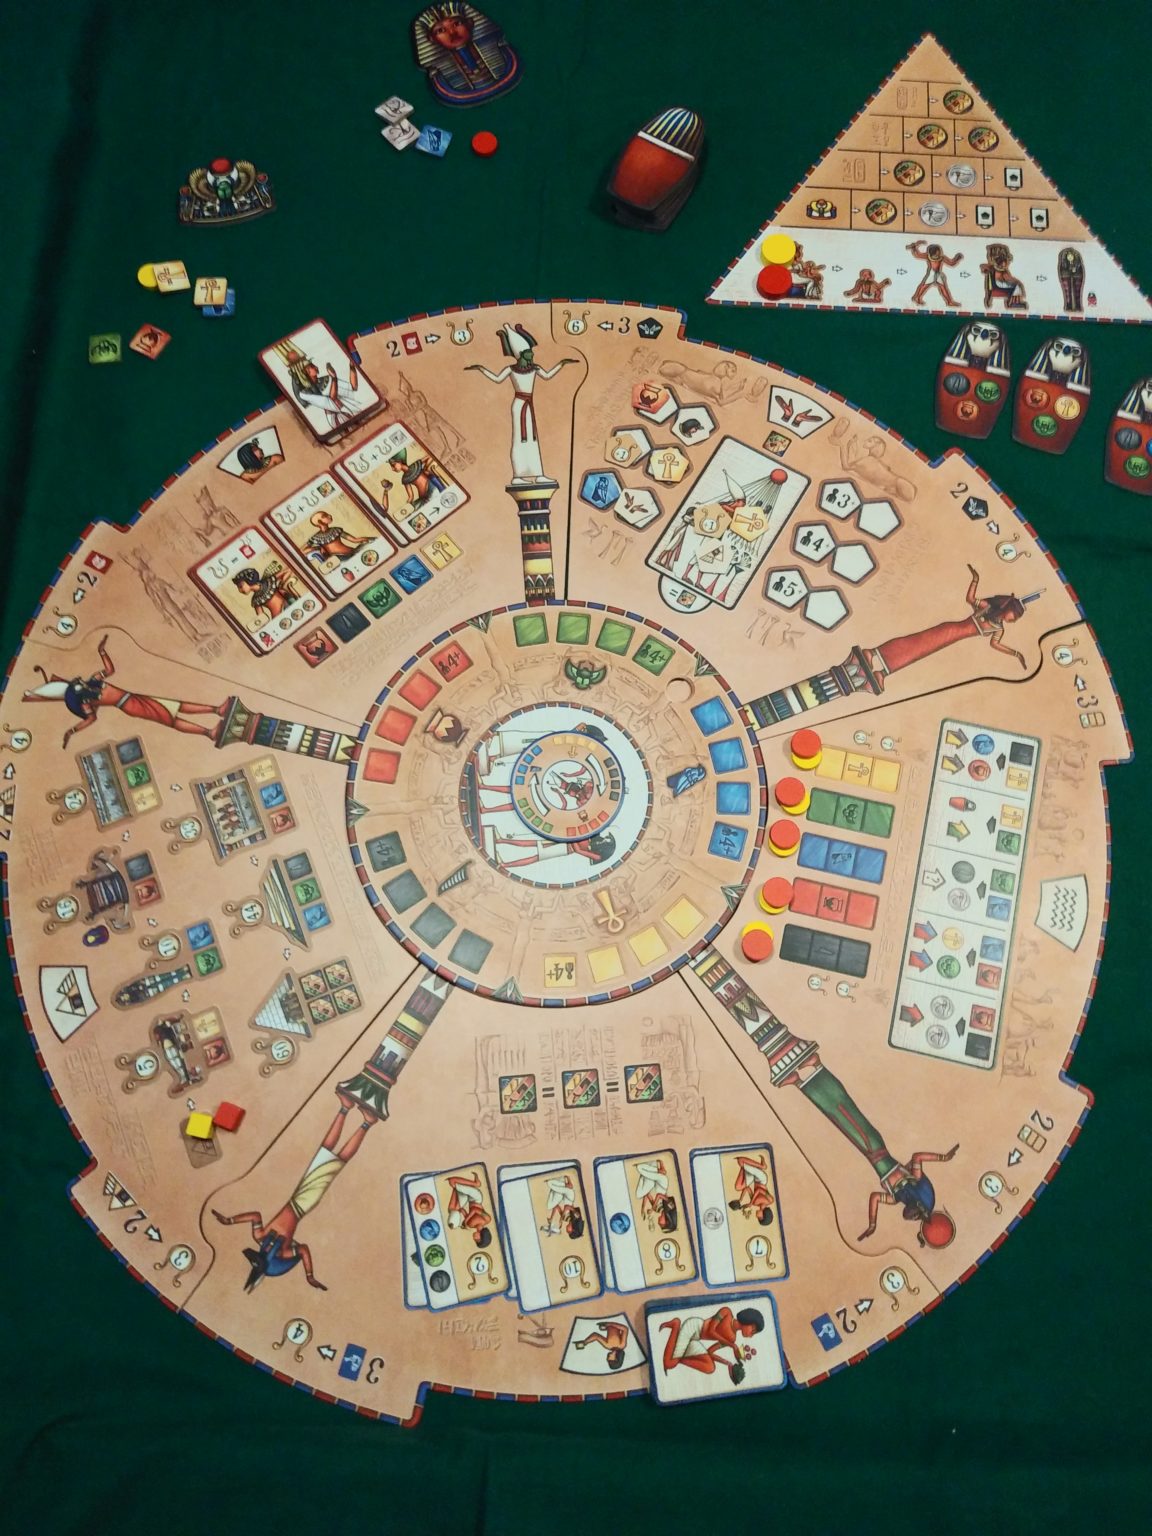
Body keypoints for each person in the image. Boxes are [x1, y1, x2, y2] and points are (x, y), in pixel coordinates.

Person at [212, 1092, 378, 1291]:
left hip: (295, 1198)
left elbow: (255, 1215)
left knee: (324, 1152)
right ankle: (367, 1122)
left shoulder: (261, 1236)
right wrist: (309, 1275)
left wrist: (230, 1220)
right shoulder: (282, 1252)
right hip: (302, 1204)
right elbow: (303, 1250)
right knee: (336, 1161)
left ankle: (346, 1108)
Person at [21, 636, 227, 748]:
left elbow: (109, 670)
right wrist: (72, 731)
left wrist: (102, 652)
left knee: (176, 706)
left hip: (134, 698)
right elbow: (91, 719)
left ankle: (217, 710)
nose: (80, 681)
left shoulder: (94, 680)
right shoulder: (85, 701)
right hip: (129, 705)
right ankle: (209, 733)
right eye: (77, 684)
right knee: (169, 718)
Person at [862, 564, 1037, 686]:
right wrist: (975, 580)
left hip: (951, 639)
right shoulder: (987, 608)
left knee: (917, 654)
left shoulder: (998, 628)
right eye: (1015, 615)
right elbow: (970, 599)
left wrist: (1016, 654)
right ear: (1008, 608)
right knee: (912, 642)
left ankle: (882, 673)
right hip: (948, 630)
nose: (1014, 620)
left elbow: (995, 644)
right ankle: (872, 653)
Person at [466, 325, 579, 484]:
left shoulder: (535, 368)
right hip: (519, 406)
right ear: (521, 354)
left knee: (532, 440)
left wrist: (562, 363)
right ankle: (517, 476)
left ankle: (538, 474)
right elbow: (497, 379)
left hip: (528, 405)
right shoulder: (511, 369)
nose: (532, 355)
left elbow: (547, 376)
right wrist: (481, 369)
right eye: (529, 352)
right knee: (519, 439)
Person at [660, 1305, 764, 1384]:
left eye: (753, 1333)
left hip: (696, 1339)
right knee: (669, 1364)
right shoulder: (726, 1312)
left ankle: (679, 1358)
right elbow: (711, 1331)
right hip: (693, 1327)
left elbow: (710, 1352)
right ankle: (676, 1324)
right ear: (748, 1319)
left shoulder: (732, 1339)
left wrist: (727, 1363)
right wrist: (732, 1346)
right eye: (753, 1330)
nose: (751, 1335)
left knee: (710, 1367)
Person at [231, 564, 301, 624]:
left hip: (291, 605)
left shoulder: (268, 581)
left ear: (249, 580)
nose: (240, 590)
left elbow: (287, 571)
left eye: (240, 586)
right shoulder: (255, 600)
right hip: (279, 619)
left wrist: (283, 583)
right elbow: (261, 618)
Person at [302, 508, 374, 565]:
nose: (329, 516)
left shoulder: (336, 530)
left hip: (352, 552)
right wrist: (318, 548)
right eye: (325, 516)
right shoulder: (315, 538)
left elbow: (354, 540)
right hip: (340, 559)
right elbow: (302, 551)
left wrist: (368, 539)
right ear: (320, 522)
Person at [445, 1171, 494, 1247]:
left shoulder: (470, 1225)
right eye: (477, 1239)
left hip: (468, 1199)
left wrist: (461, 1213)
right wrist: (466, 1220)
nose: (474, 1238)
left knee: (452, 1209)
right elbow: (475, 1210)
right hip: (476, 1198)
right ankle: (476, 1184)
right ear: (483, 1236)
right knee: (452, 1182)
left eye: (475, 1240)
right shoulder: (487, 1219)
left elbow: (464, 1212)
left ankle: (458, 1189)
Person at [908, 240, 961, 307]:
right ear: (933, 252)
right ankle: (917, 298)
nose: (939, 252)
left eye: (939, 251)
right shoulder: (928, 256)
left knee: (943, 288)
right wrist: (914, 248)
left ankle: (949, 302)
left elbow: (951, 263)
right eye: (938, 251)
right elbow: (917, 255)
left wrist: (957, 259)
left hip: (938, 274)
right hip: (931, 274)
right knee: (924, 286)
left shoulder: (941, 257)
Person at [728, 1152, 775, 1226]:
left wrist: (740, 1199)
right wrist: (751, 1203)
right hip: (761, 1179)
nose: (757, 1216)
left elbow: (747, 1188)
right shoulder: (770, 1200)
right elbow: (759, 1190)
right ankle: (762, 1166)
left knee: (738, 1187)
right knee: (740, 1161)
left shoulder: (755, 1203)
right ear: (764, 1215)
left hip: (754, 1178)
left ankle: (746, 1167)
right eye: (759, 1217)